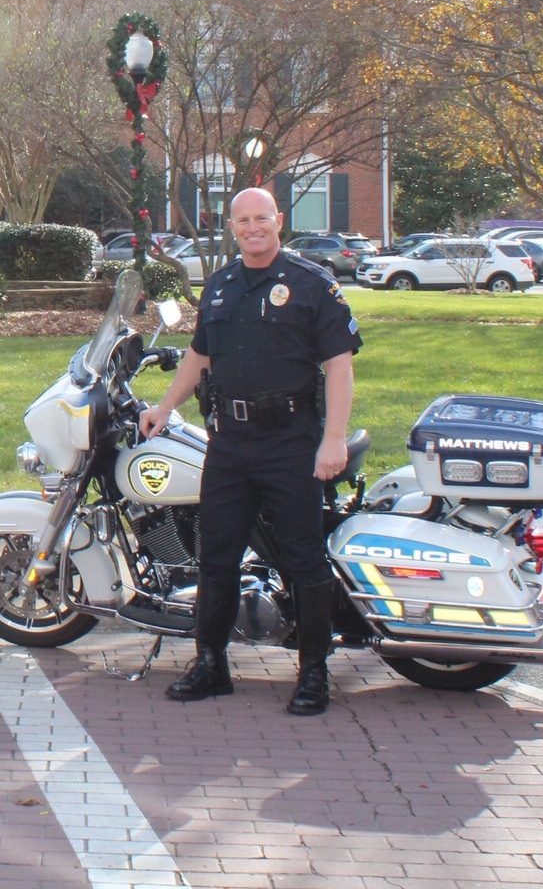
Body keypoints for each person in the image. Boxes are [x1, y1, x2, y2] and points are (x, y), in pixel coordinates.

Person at [139, 187, 362, 715]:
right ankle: (210, 664)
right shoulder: (220, 286)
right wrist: (165, 407)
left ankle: (314, 672)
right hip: (230, 444)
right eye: (243, 220)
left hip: (290, 442)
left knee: (303, 558)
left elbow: (339, 367)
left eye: (262, 217)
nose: (253, 227)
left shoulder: (313, 284)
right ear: (231, 227)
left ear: (278, 220)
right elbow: (200, 356)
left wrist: (333, 437)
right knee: (217, 557)